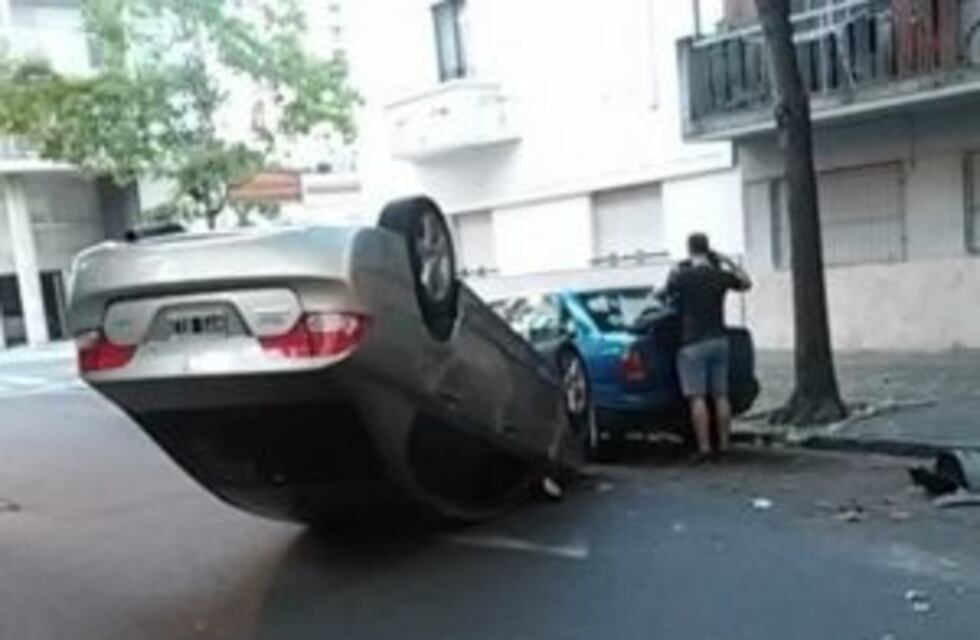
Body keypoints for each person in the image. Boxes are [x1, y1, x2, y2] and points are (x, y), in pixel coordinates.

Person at [665, 232, 752, 462]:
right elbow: (746, 283)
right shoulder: (719, 275)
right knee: (721, 395)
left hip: (692, 343)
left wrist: (673, 271)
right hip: (719, 340)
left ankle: (704, 449)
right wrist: (729, 262)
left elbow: (664, 293)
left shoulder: (683, 276)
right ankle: (724, 445)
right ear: (708, 249)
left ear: (689, 249)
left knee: (697, 398)